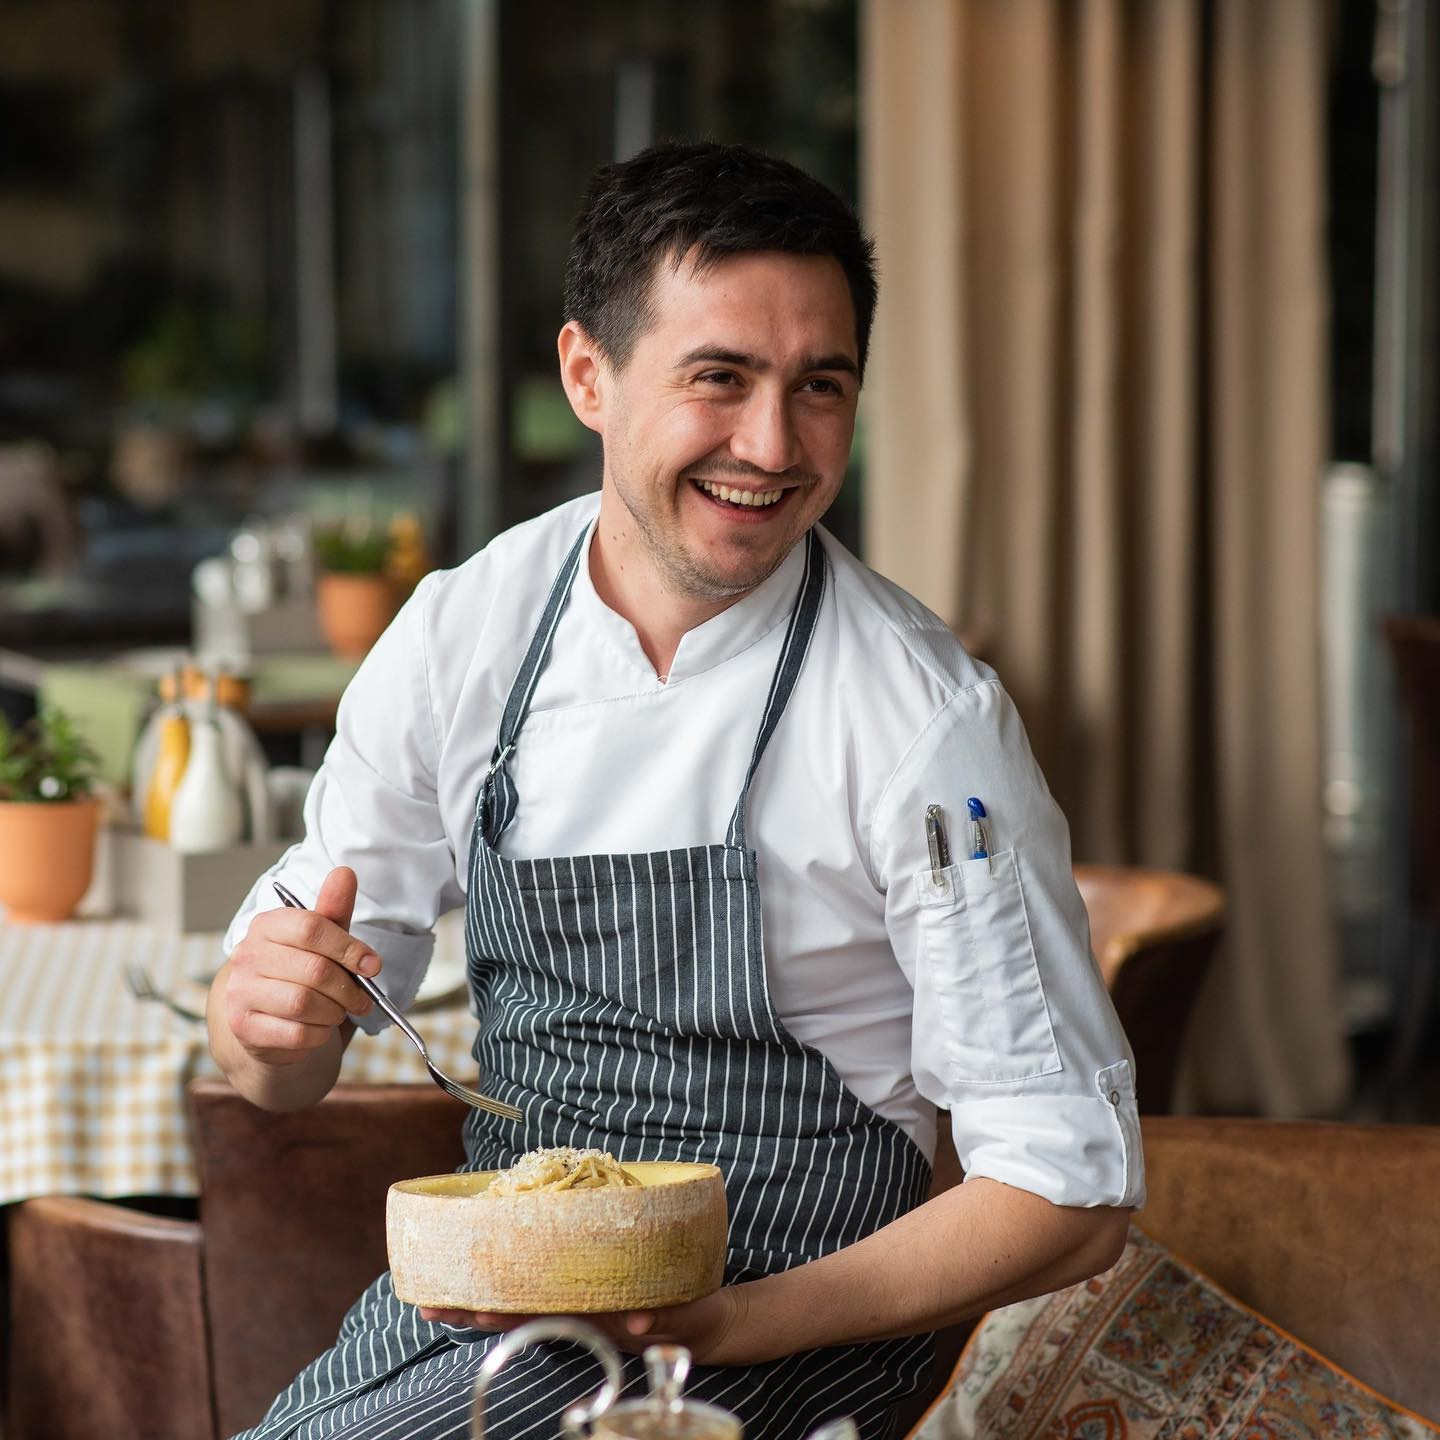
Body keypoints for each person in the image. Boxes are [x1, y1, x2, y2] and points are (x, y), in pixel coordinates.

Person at [209, 141, 1143, 1440]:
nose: (771, 445)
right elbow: (282, 1067)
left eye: (820, 387)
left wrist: (731, 1324)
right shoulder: (462, 638)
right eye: (720, 378)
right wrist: (261, 1026)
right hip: (492, 1311)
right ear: (587, 376)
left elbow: (1070, 1195)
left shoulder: (926, 722)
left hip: (793, 1334)